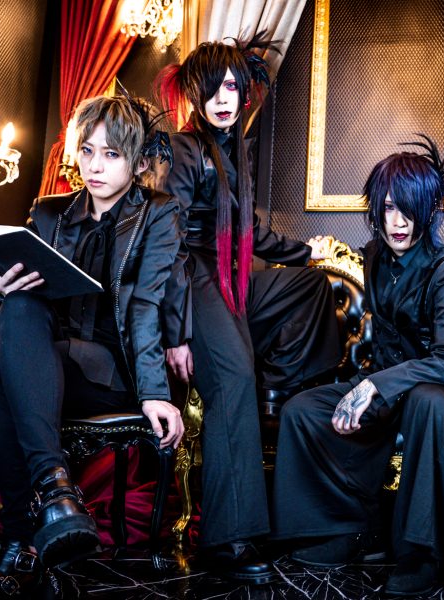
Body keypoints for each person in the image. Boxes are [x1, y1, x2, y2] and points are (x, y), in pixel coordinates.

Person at [0, 94, 184, 598]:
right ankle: (50, 501)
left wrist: (154, 393)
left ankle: (25, 528)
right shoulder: (49, 213)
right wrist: (2, 286)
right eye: (87, 151)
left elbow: (146, 305)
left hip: (112, 370)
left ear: (138, 163)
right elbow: (24, 316)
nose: (94, 166)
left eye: (111, 154)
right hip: (48, 364)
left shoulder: (159, 213)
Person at [155, 35, 342, 583]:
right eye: (213, 89)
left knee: (310, 288)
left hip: (231, 278)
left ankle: (284, 382)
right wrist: (176, 333)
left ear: (244, 93)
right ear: (196, 94)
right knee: (233, 381)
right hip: (194, 278)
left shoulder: (235, 149)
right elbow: (167, 244)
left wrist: (308, 252)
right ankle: (227, 539)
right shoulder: (184, 148)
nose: (223, 98)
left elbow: (250, 232)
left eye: (232, 87)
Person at [271, 137, 444, 597]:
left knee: (427, 403)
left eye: (408, 209)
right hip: (383, 387)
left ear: (429, 210)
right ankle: (346, 530)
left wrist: (375, 387)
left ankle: (421, 553)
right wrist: (364, 387)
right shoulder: (375, 255)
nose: (397, 222)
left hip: (439, 396)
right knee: (301, 411)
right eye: (387, 208)